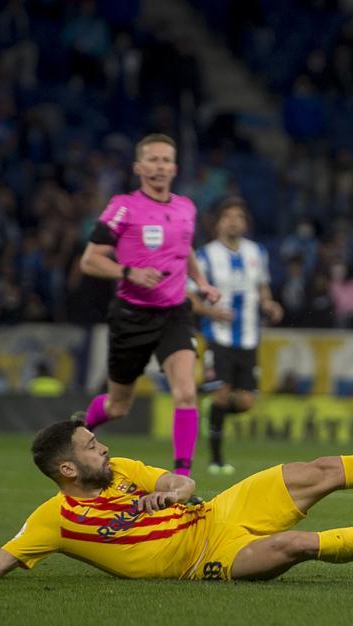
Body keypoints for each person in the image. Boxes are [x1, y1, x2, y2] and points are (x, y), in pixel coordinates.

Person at [0, 406, 353, 581]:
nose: (105, 447)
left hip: (220, 510)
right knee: (297, 546)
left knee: (321, 469)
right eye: (93, 446)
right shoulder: (52, 520)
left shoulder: (122, 471)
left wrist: (173, 495)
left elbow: (185, 482)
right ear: (67, 468)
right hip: (206, 559)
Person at [78, 134, 222, 477]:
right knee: (118, 405)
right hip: (132, 315)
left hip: (174, 312)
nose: (160, 167)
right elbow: (90, 260)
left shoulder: (186, 206)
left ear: (174, 167)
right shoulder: (123, 206)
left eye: (166, 160)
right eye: (153, 160)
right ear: (139, 167)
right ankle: (79, 428)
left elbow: (184, 248)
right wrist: (129, 272)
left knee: (187, 392)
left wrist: (201, 283)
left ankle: (182, 479)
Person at [191, 197, 284, 475]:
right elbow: (190, 297)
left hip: (248, 338)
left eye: (239, 216)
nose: (234, 221)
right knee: (221, 395)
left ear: (245, 223)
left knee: (245, 402)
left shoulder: (257, 253)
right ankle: (217, 460)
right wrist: (211, 312)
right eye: (228, 216)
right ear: (218, 223)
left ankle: (212, 415)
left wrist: (269, 305)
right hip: (218, 337)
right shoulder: (204, 256)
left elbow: (262, 289)